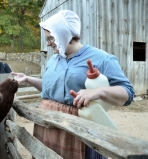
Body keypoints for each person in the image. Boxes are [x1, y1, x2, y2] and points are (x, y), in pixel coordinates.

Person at [11, 10, 134, 159]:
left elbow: (127, 93)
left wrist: (99, 91)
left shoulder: (102, 58)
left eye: (51, 38)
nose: (48, 44)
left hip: (79, 128)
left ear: (64, 35)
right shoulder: (54, 59)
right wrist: (28, 78)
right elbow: (52, 90)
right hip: (48, 124)